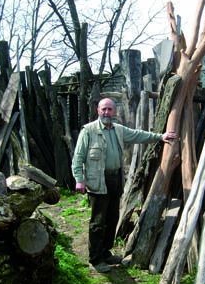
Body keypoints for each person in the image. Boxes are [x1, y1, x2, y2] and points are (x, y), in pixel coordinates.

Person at [71, 98, 177, 273]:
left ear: (114, 112)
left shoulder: (119, 130)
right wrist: (79, 179)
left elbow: (138, 135)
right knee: (98, 222)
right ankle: (95, 259)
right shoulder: (88, 131)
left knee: (112, 219)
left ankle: (105, 252)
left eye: (110, 109)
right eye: (104, 109)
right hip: (98, 181)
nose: (107, 112)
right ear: (98, 110)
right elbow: (78, 157)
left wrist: (160, 136)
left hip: (115, 180)